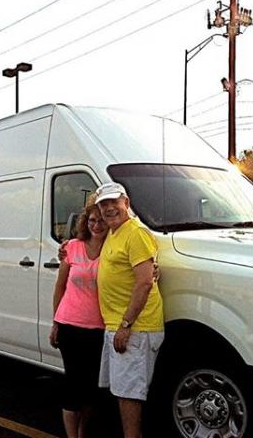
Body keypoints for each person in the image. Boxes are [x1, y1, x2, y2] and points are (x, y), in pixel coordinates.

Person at [94, 182, 164, 438]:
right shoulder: (115, 232)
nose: (110, 208)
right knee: (124, 394)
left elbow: (145, 281)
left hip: (135, 328)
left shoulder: (135, 233)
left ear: (126, 202)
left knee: (129, 396)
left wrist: (126, 325)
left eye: (114, 202)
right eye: (104, 204)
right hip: (120, 327)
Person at [49, 201, 107, 438]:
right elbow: (60, 287)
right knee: (73, 385)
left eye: (101, 220)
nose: (96, 225)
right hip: (70, 326)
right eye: (92, 220)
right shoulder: (72, 247)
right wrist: (55, 323)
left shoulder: (115, 250)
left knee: (91, 389)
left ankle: (83, 433)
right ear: (85, 221)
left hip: (99, 328)